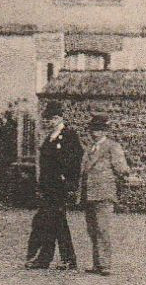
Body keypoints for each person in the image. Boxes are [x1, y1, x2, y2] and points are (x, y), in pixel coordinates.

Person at [26, 103, 82, 270]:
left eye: (51, 119)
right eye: (46, 119)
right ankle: (58, 259)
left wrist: (68, 179)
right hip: (49, 187)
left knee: (54, 220)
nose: (47, 122)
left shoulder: (69, 136)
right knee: (55, 221)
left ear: (59, 118)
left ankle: (53, 259)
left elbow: (76, 159)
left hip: (60, 187)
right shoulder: (50, 137)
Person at [78, 115, 129, 276]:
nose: (95, 133)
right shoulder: (89, 148)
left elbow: (121, 167)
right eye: (93, 130)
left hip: (104, 193)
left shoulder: (112, 147)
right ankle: (97, 264)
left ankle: (105, 264)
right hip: (89, 193)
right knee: (92, 229)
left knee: (102, 229)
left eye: (99, 130)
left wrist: (126, 175)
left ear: (105, 131)